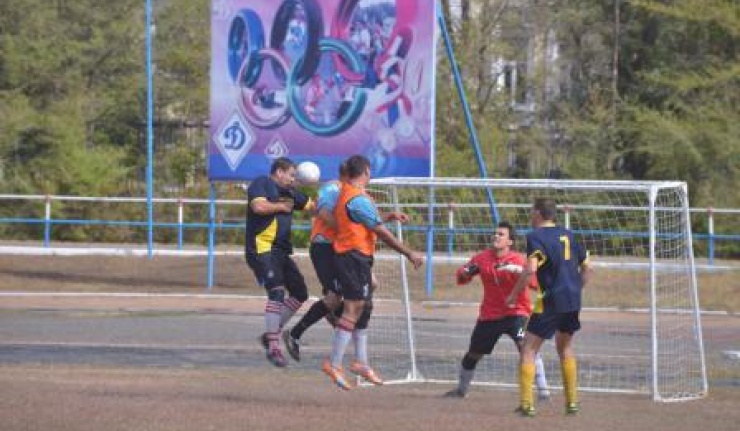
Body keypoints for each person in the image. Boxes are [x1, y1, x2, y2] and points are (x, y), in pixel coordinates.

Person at [282, 161, 409, 364]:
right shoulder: (332, 189)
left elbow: (366, 219)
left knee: (370, 284)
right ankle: (298, 333)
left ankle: (336, 317)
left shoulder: (357, 193)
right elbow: (323, 213)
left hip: (343, 249)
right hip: (324, 246)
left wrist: (389, 216)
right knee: (335, 297)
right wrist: (346, 230)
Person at [322, 154, 424, 390]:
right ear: (366, 171)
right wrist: (409, 253)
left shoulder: (349, 193)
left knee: (362, 306)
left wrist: (389, 216)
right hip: (352, 257)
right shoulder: (357, 199)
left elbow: (364, 220)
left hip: (356, 258)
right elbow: (380, 232)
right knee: (353, 307)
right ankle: (334, 363)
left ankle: (360, 362)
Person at [444, 221, 550, 400]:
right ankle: (461, 390)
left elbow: (536, 283)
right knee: (473, 354)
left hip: (517, 313)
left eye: (501, 234)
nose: (496, 236)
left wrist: (519, 271)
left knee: (526, 348)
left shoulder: (520, 260)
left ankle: (543, 391)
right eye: (495, 233)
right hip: (490, 315)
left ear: (510, 242)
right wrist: (464, 273)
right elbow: (462, 274)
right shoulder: (482, 258)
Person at [507, 198, 592, 417]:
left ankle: (527, 405)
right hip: (572, 301)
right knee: (565, 348)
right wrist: (575, 289)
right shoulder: (569, 235)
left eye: (531, 211)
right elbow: (587, 269)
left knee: (528, 349)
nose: (530, 215)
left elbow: (530, 270)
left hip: (551, 300)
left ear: (537, 213)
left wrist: (514, 294)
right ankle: (571, 403)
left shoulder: (535, 236)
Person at [245, 157, 314, 368]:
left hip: (281, 252)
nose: (293, 179)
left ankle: (270, 335)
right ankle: (274, 347)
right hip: (262, 249)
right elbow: (258, 207)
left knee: (300, 293)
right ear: (279, 172)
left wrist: (334, 193)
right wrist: (281, 207)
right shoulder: (262, 183)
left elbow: (315, 206)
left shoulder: (291, 193)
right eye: (291, 175)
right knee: (276, 292)